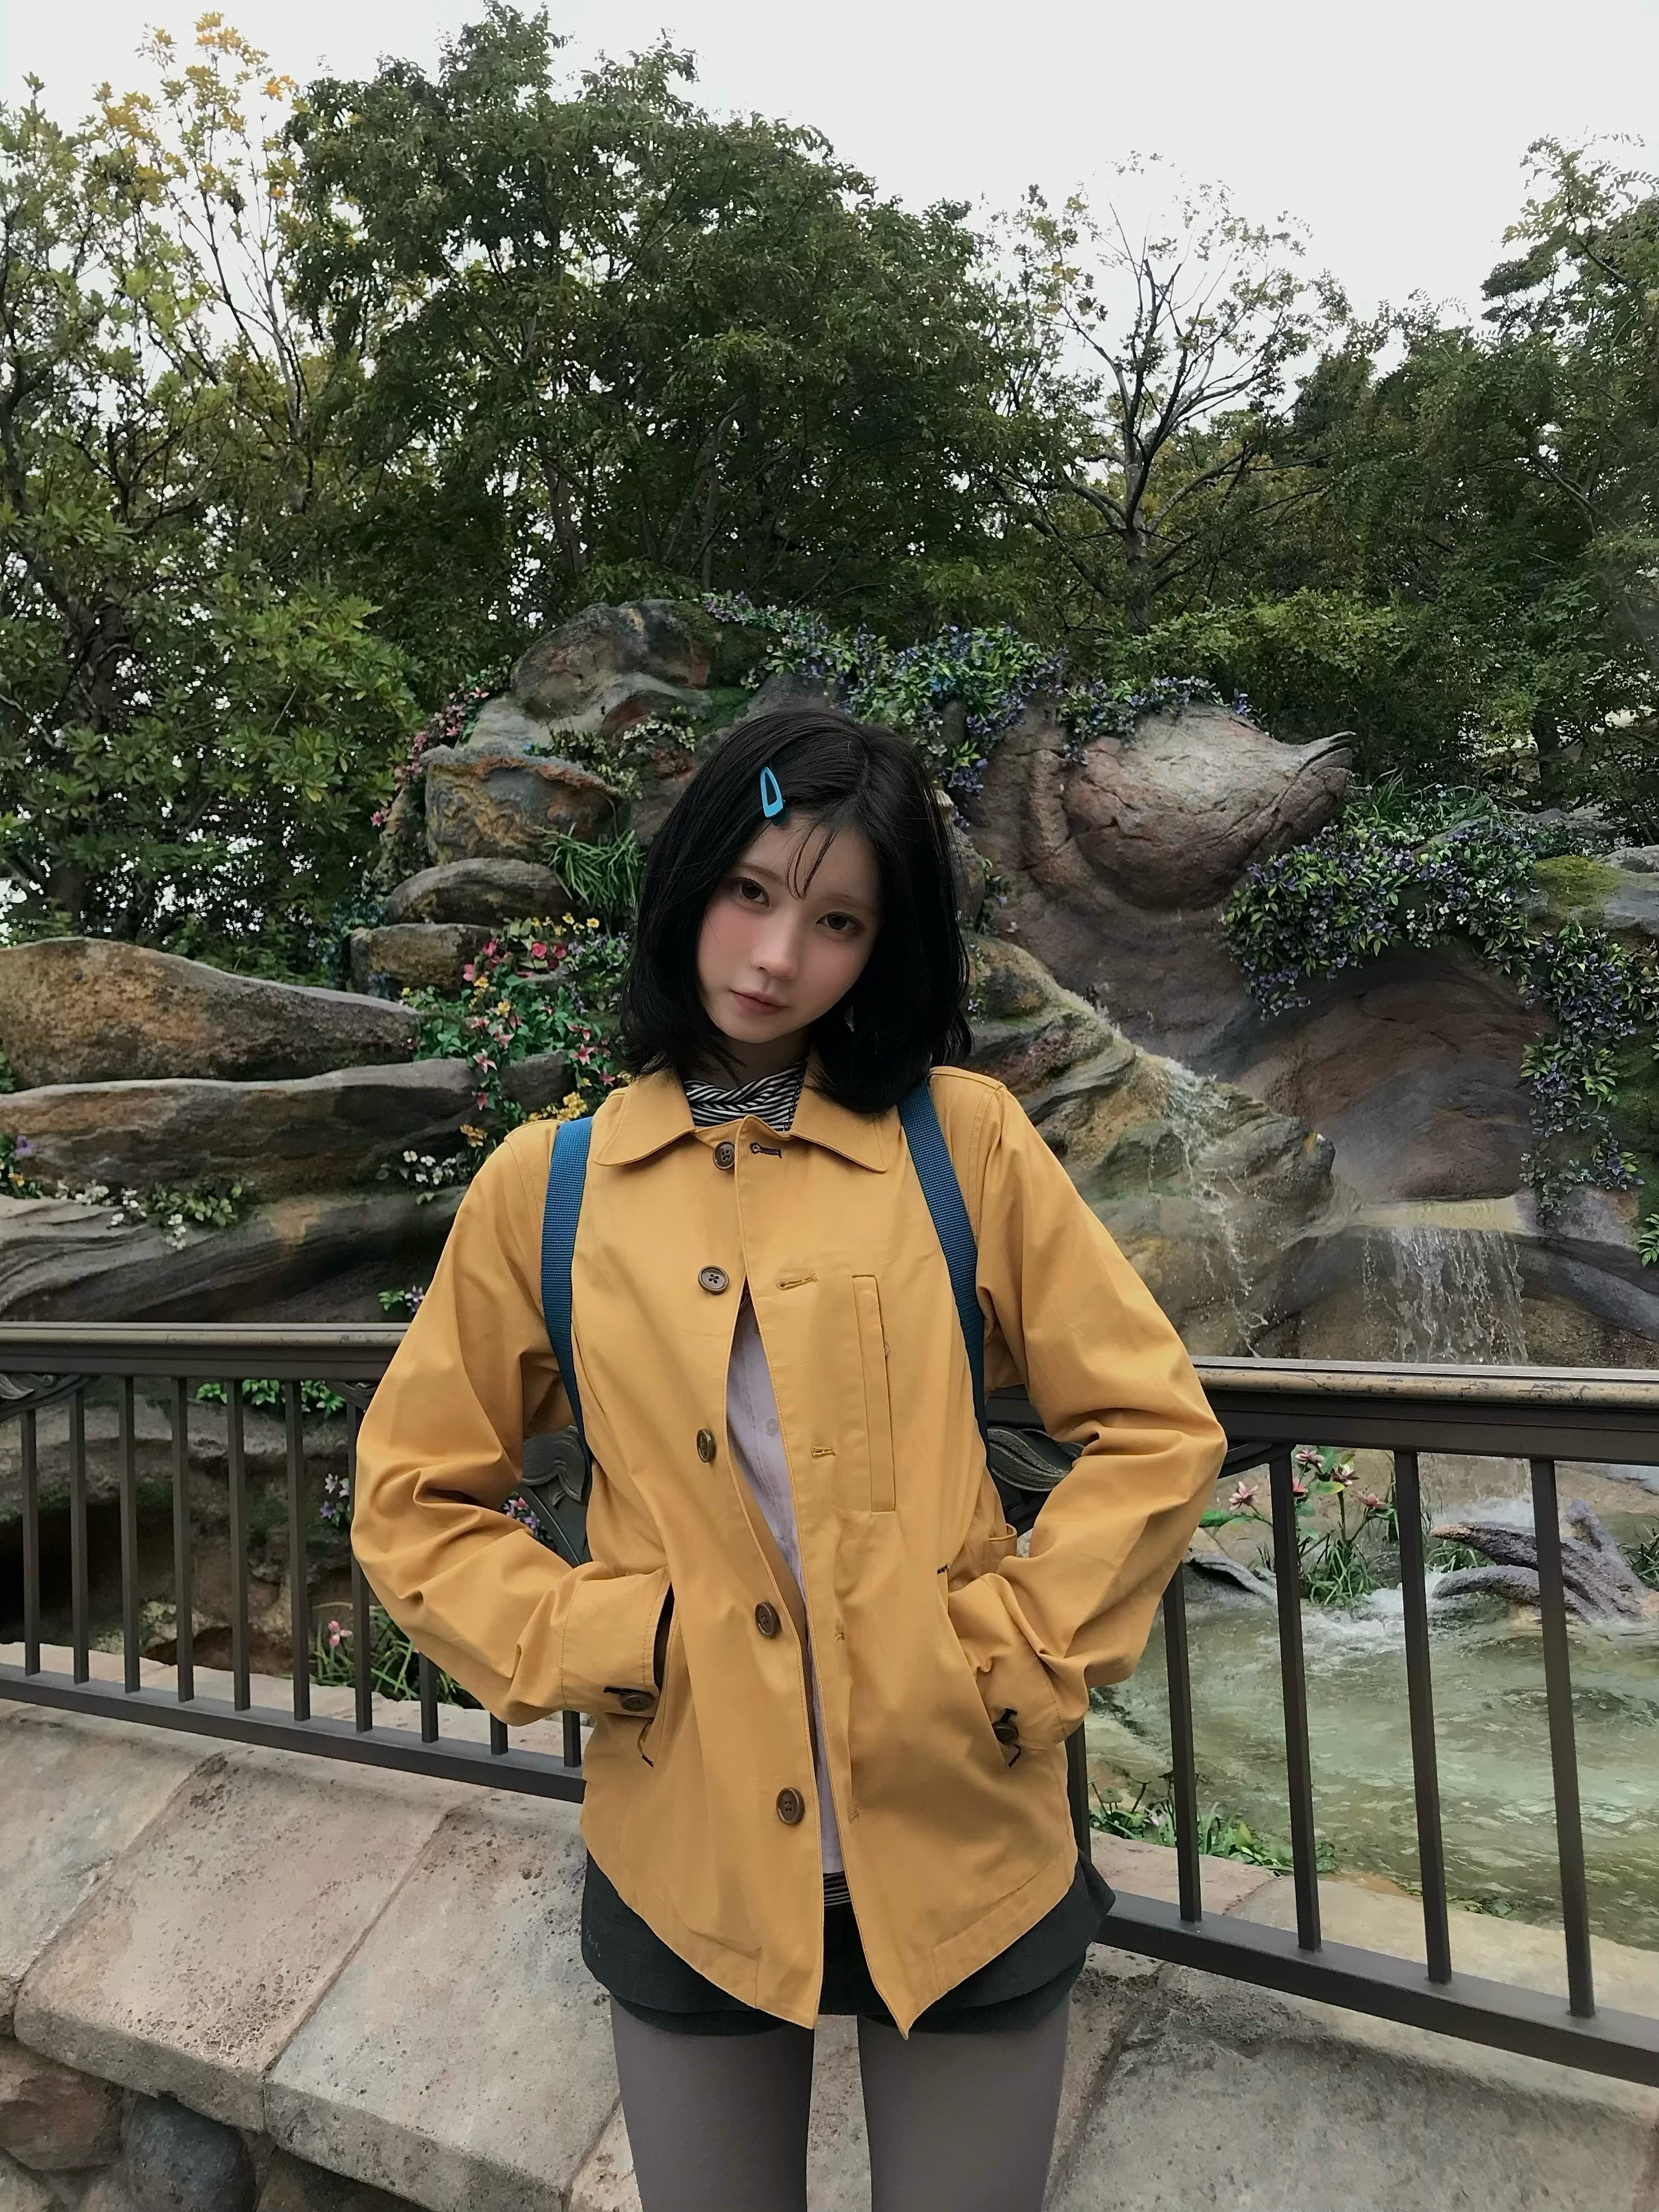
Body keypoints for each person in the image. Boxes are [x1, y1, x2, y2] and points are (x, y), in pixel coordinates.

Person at [351, 707, 1227, 2211]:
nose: (774, 957)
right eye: (750, 893)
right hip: (686, 1847)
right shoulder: (550, 1189)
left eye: (835, 922)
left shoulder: (964, 1144)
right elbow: (413, 1496)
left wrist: (1021, 1648)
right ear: (691, 881)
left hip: (963, 1834)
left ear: (881, 949)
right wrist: (603, 1638)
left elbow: (1153, 1425)